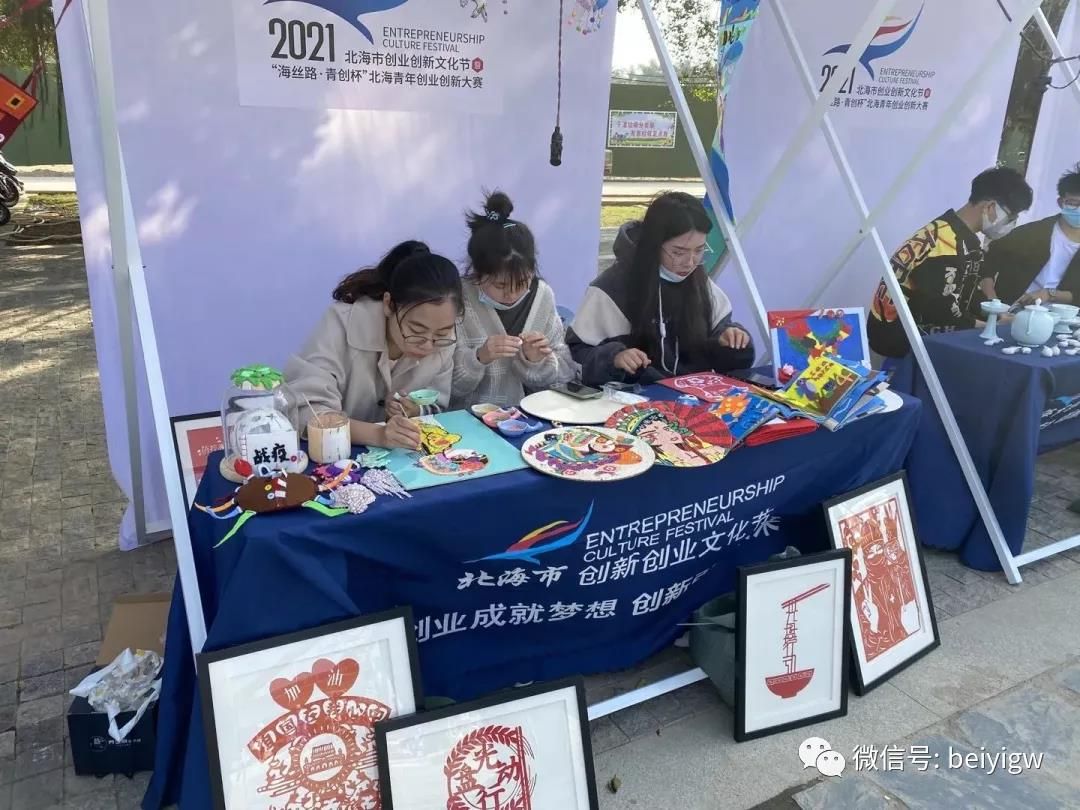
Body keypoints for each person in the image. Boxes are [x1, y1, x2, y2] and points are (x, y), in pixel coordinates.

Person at [285, 241, 463, 450]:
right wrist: (378, 434)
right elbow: (308, 412)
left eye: (441, 334)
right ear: (388, 305)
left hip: (399, 458)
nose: (428, 345)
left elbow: (438, 405)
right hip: (332, 453)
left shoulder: (446, 341)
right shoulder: (341, 323)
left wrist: (414, 411)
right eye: (416, 330)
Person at [566, 192, 753, 386]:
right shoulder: (610, 290)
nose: (690, 262)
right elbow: (575, 356)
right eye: (678, 252)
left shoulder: (700, 283)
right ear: (654, 245)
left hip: (694, 395)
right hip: (631, 398)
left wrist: (731, 341)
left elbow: (726, 354)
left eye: (699, 250)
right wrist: (614, 358)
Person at [867, 166, 1033, 358]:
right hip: (901, 338)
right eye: (1011, 217)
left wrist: (996, 313)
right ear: (990, 207)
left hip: (916, 326)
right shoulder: (946, 248)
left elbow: (964, 294)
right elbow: (942, 313)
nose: (1011, 225)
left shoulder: (949, 230)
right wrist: (993, 325)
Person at [451, 191, 575, 408]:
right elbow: (447, 386)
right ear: (477, 273)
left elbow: (565, 374)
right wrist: (479, 357)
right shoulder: (459, 299)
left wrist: (537, 361)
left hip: (528, 416)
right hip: (470, 420)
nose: (511, 294)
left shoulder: (542, 295)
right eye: (499, 286)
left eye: (522, 283)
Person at [985, 163, 1080, 307]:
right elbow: (987, 263)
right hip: (1012, 312)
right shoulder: (1030, 234)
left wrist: (1049, 294)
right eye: (1073, 203)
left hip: (1064, 318)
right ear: (1061, 202)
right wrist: (993, 303)